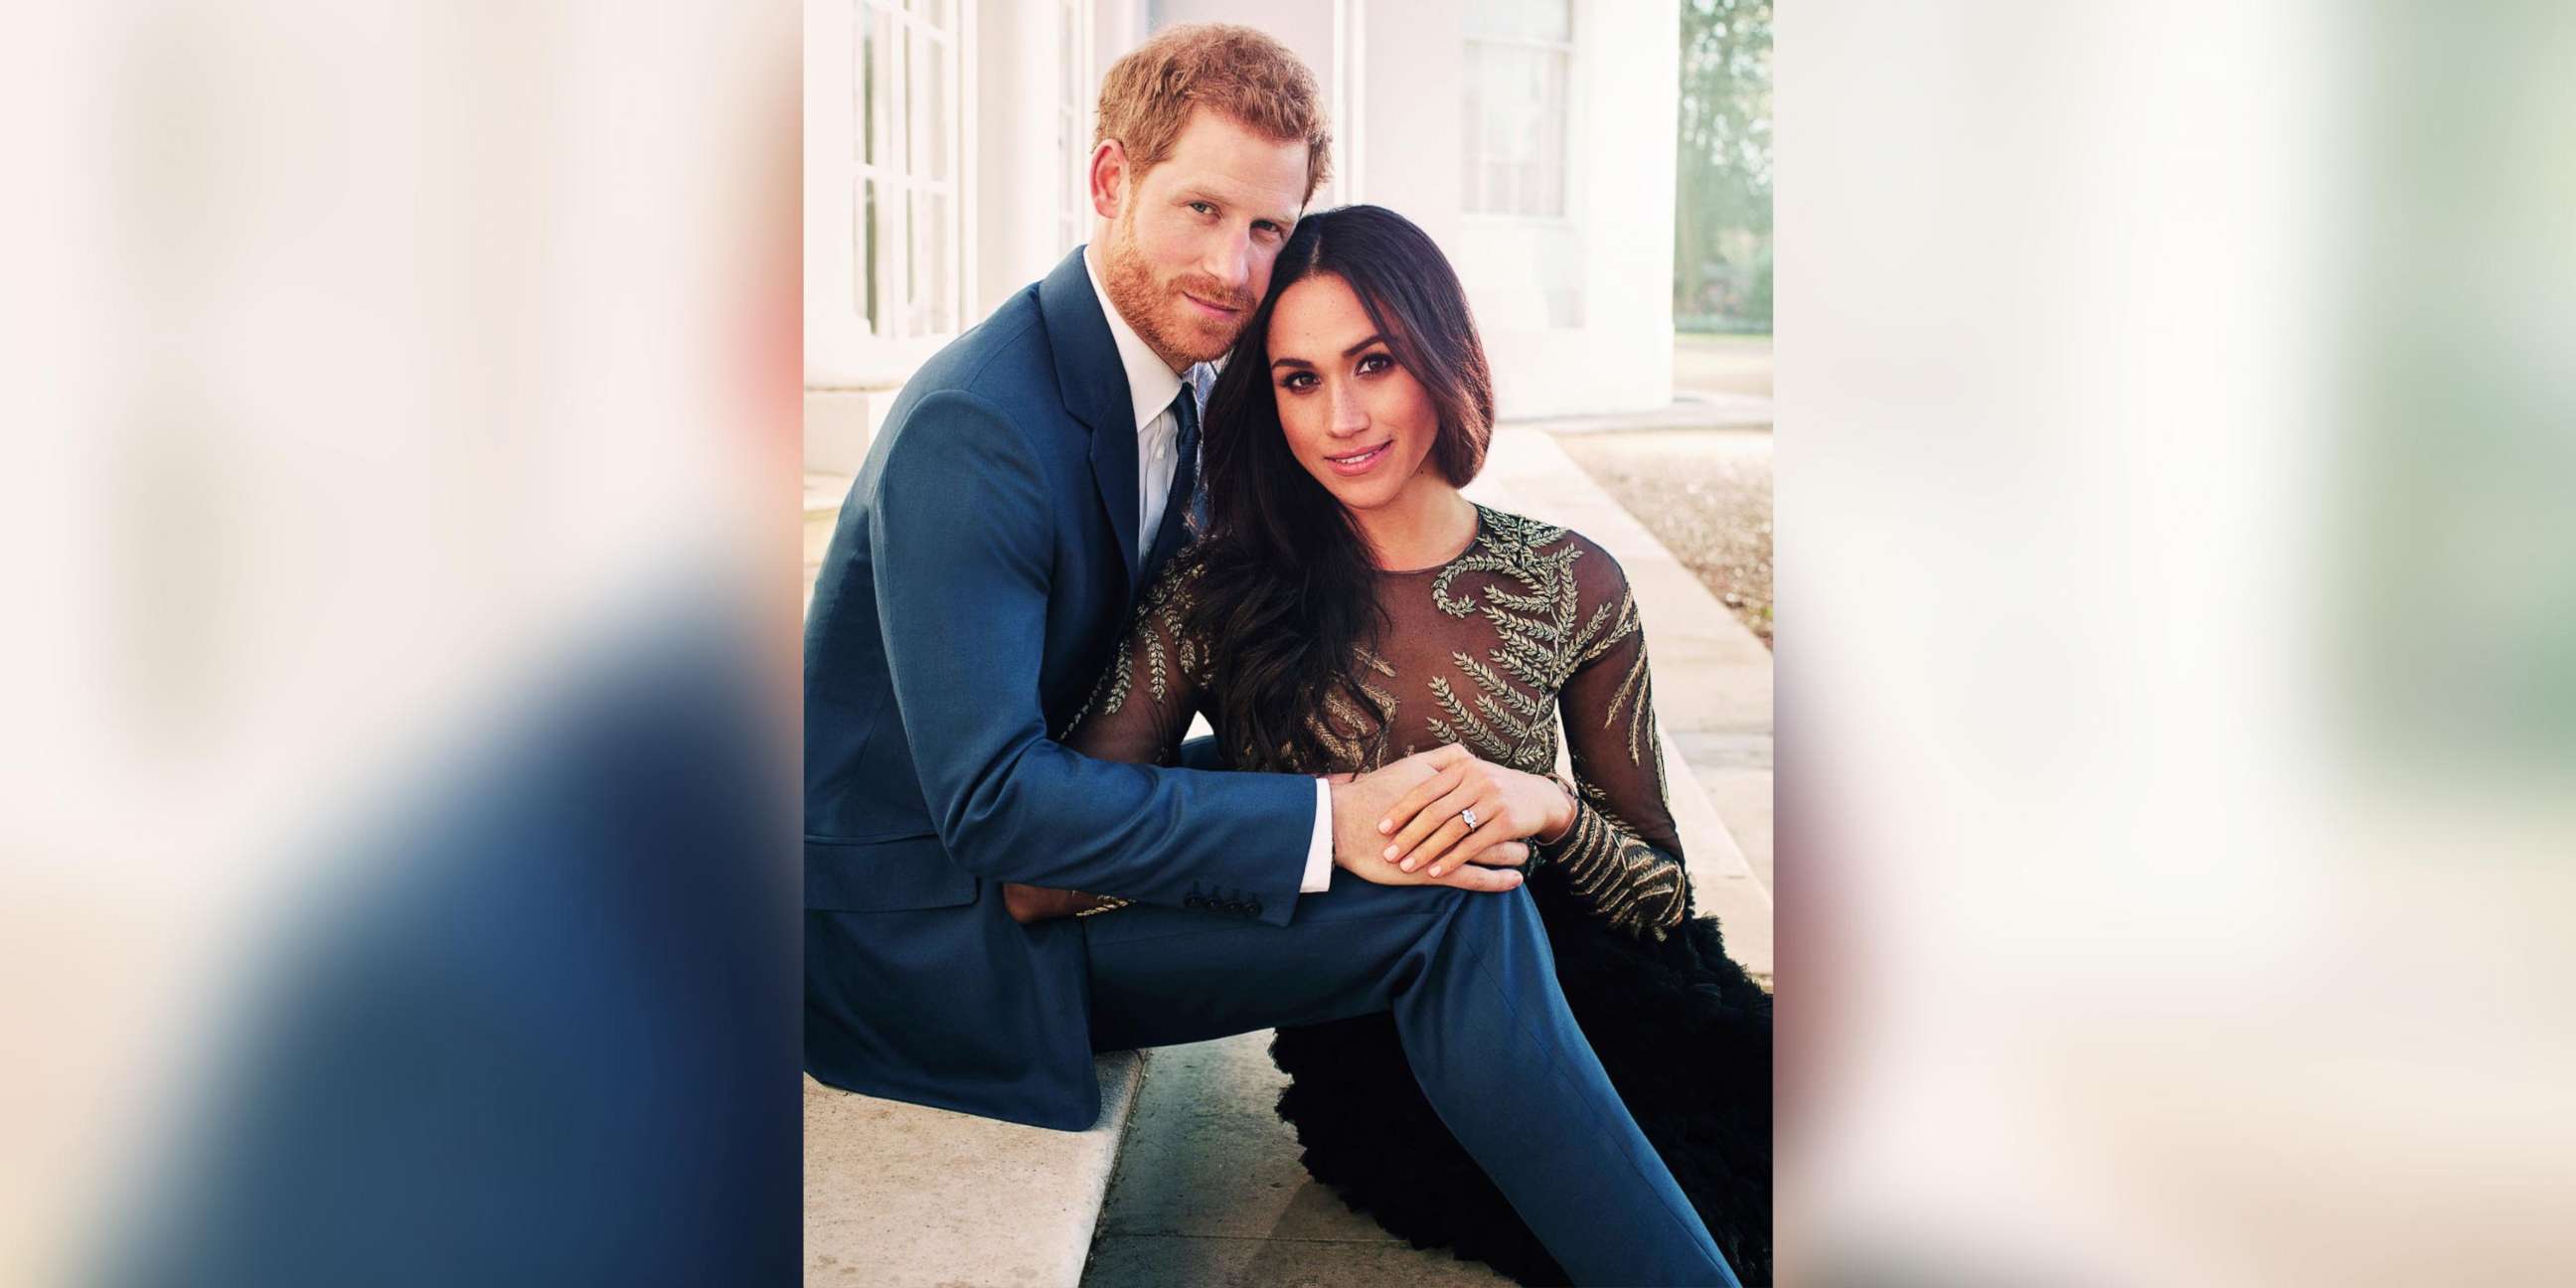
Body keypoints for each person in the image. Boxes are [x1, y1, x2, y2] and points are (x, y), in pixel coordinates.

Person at [805, 23, 1741, 1287]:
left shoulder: (1184, 380)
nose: (1234, 267)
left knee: (1454, 857)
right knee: (1441, 901)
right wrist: (1325, 815)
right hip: (939, 941)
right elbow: (995, 814)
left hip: (1045, 853)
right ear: (1108, 184)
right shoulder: (982, 428)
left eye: (1264, 228)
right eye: (1199, 207)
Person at [1012, 203, 1774, 1285]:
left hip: (1606, 991)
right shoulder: (1213, 598)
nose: (1343, 417)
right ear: (1264, 400)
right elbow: (1055, 852)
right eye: (1300, 379)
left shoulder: (1569, 582)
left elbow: (1658, 894)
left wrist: (1546, 805)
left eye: (1374, 362)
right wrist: (1291, 840)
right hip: (1381, 1041)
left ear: (1437, 355)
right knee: (1678, 1211)